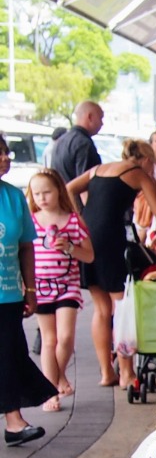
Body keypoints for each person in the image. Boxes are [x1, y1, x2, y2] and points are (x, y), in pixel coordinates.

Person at [66, 139, 156, 390]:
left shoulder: (98, 169)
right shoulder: (137, 174)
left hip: (88, 238)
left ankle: (106, 373)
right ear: (146, 160)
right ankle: (126, 373)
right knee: (122, 306)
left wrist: (82, 216)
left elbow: (70, 188)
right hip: (113, 240)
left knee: (102, 308)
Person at [0, 137, 58, 445]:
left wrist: (31, 288)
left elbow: (26, 247)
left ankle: (14, 422)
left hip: (8, 294)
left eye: (6, 152)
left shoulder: (13, 197)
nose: (5, 158)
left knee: (9, 355)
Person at [27, 170, 93, 411]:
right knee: (49, 340)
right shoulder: (30, 220)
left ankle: (55, 379)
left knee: (65, 337)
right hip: (40, 287)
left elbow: (89, 254)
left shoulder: (74, 221)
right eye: (37, 193)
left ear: (58, 192)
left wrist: (70, 248)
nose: (42, 198)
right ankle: (51, 390)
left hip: (67, 287)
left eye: (47, 192)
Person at [50, 101, 104, 185]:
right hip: (77, 197)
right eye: (100, 118)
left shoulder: (60, 141)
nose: (102, 123)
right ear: (90, 117)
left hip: (62, 196)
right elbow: (87, 183)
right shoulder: (84, 144)